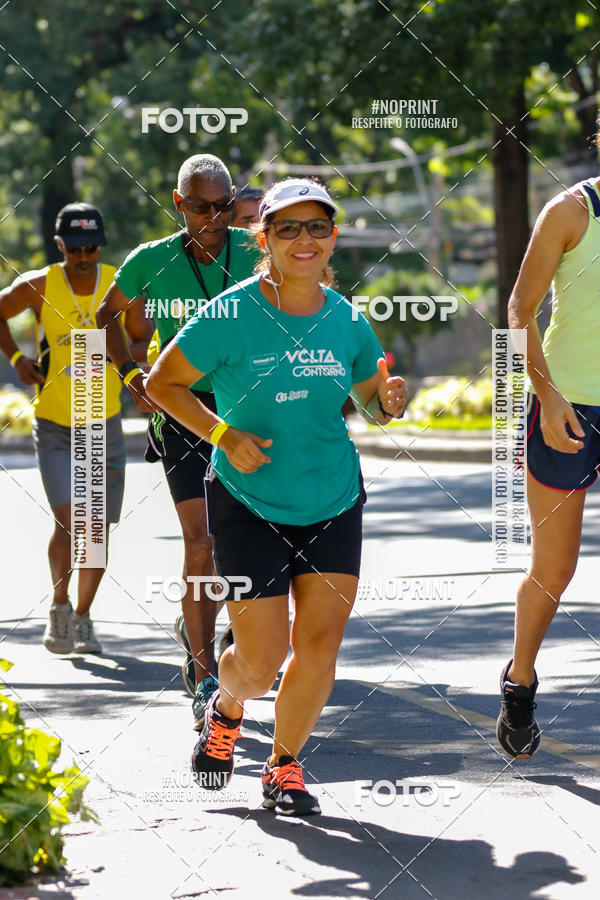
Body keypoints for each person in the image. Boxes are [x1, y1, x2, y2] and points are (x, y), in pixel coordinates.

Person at [146, 177, 407, 816]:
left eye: (316, 226)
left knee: (319, 648)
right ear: (263, 239)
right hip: (248, 501)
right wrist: (222, 434)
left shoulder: (346, 319)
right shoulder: (230, 313)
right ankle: (227, 706)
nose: (304, 239)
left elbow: (372, 400)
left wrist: (388, 402)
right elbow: (162, 384)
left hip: (333, 498)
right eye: (288, 228)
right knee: (261, 661)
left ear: (333, 238)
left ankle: (284, 766)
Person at [96, 154, 259, 729]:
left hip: (248, 409)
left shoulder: (255, 250)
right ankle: (205, 676)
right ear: (177, 203)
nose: (213, 218)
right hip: (183, 409)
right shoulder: (151, 259)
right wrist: (130, 375)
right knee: (201, 542)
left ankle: (223, 632)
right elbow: (104, 317)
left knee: (254, 540)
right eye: (199, 206)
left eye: (223, 206)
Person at [0, 202, 151, 654]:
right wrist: (17, 359)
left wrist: (122, 355)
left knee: (96, 532)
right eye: (75, 248)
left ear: (100, 246)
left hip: (102, 423)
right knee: (68, 522)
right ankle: (59, 607)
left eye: (91, 248)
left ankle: (83, 617)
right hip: (54, 424)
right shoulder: (40, 285)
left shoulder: (119, 286)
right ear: (60, 245)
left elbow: (143, 338)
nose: (84, 257)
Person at [496, 174, 600, 758]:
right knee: (555, 569)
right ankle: (520, 681)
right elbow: (519, 307)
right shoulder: (571, 211)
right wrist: (547, 393)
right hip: (569, 405)